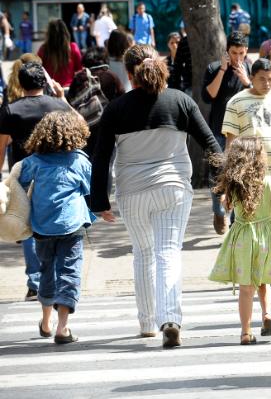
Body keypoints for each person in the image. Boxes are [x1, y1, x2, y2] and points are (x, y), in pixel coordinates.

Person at [91, 44, 222, 348]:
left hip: (132, 192)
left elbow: (101, 157)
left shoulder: (117, 109)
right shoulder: (181, 101)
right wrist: (226, 185)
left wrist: (99, 201)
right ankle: (171, 319)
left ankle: (147, 322)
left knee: (143, 253)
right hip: (173, 189)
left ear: (129, 72)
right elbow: (212, 146)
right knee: (168, 252)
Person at [19, 111, 99, 344]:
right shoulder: (79, 161)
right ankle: (63, 328)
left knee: (46, 269)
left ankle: (46, 322)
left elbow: (17, 184)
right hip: (71, 226)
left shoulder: (33, 161)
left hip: (42, 227)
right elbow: (90, 191)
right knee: (70, 272)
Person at [208, 137, 271, 344]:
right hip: (266, 236)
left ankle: (246, 332)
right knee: (263, 280)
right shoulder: (270, 181)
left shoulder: (234, 184)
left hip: (242, 237)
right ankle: (267, 314)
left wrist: (224, 200)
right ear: (259, 158)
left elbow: (227, 207)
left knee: (246, 288)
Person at [0, 62, 72, 303]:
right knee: (52, 224)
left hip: (24, 174)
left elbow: (0, 148)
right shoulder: (57, 106)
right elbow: (81, 128)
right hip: (55, 173)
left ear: (21, 84)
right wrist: (62, 97)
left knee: (27, 226)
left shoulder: (10, 110)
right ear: (44, 82)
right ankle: (53, 279)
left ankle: (35, 282)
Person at [221, 57, 271, 209]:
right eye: (262, 79)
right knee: (245, 220)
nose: (267, 84)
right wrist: (228, 184)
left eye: (270, 79)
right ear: (251, 78)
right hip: (247, 172)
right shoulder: (235, 102)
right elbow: (230, 145)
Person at [203, 31, 252, 235]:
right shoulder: (214, 68)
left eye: (241, 53)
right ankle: (218, 211)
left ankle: (234, 218)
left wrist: (246, 81)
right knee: (218, 174)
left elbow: (257, 95)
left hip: (243, 131)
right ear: (227, 52)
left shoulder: (249, 68)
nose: (238, 57)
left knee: (240, 174)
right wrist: (223, 70)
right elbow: (209, 96)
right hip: (218, 129)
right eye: (234, 53)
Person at [66, 47, 125, 157]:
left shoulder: (79, 78)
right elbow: (122, 100)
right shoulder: (111, 76)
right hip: (107, 128)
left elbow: (70, 101)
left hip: (85, 128)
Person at [38, 19, 83, 87]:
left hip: (50, 90)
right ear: (65, 32)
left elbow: (38, 69)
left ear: (49, 34)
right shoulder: (73, 47)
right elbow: (80, 70)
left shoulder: (43, 49)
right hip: (69, 89)